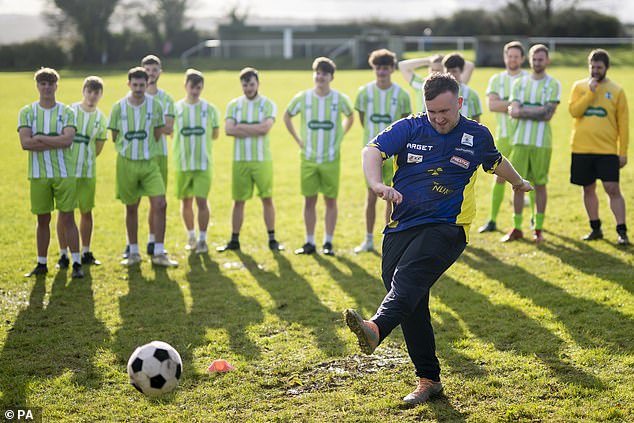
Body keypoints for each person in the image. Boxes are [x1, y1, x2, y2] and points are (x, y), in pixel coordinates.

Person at [343, 73, 533, 405]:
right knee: (408, 297)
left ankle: (375, 329)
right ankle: (429, 379)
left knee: (407, 279)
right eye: (432, 112)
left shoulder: (476, 134)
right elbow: (371, 150)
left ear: (459, 103)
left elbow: (497, 162)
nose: (439, 118)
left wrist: (518, 183)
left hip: (447, 226)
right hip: (401, 224)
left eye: (445, 111)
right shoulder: (410, 127)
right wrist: (376, 185)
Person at [284, 57, 354, 256]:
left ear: (331, 77)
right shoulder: (303, 97)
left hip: (331, 158)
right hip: (309, 158)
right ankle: (309, 242)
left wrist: (341, 133)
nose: (320, 76)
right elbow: (287, 115)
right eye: (317, 72)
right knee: (309, 201)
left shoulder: (339, 99)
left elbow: (350, 116)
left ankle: (328, 242)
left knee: (331, 201)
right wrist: (298, 140)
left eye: (324, 73)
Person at [18, 67, 84, 278]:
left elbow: (67, 141)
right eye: (43, 83)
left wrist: (40, 138)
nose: (46, 87)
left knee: (67, 218)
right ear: (37, 86)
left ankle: (76, 262)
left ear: (57, 86)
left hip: (64, 173)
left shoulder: (67, 112)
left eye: (50, 83)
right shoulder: (27, 111)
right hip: (39, 174)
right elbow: (26, 144)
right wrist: (51, 140)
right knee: (42, 220)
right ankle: (41, 263)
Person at [108, 67, 177, 267]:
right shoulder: (118, 107)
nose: (138, 88)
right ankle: (134, 252)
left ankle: (158, 252)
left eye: (142, 85)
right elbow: (114, 136)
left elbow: (157, 133)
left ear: (147, 84)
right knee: (131, 207)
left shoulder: (155, 106)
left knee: (160, 204)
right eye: (135, 85)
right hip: (127, 163)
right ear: (128, 84)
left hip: (149, 163)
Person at [217, 67, 284, 252]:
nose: (248, 88)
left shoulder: (268, 104)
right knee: (238, 201)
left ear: (258, 84)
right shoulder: (234, 105)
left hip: (262, 160)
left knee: (267, 199)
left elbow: (265, 129)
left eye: (251, 84)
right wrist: (254, 128)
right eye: (245, 84)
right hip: (240, 160)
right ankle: (234, 239)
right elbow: (229, 130)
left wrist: (242, 128)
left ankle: (272, 238)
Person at [569, 48, 629, 245]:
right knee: (588, 189)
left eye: (599, 67)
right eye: (592, 67)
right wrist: (589, 93)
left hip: (607, 151)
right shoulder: (579, 86)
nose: (595, 70)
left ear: (606, 68)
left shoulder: (617, 91)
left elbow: (624, 124)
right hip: (581, 148)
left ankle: (622, 231)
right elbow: (574, 112)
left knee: (612, 189)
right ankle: (595, 228)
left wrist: (623, 152)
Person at [354, 49, 412, 253]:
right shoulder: (364, 93)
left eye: (385, 68)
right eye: (378, 68)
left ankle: (390, 239)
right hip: (373, 156)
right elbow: (362, 119)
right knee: (371, 196)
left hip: (395, 156)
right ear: (373, 68)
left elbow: (407, 124)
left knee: (393, 197)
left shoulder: (402, 95)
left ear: (392, 69)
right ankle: (368, 239)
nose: (381, 72)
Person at [503, 44, 561, 244]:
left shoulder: (554, 84)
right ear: (529, 60)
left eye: (541, 59)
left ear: (547, 61)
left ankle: (538, 228)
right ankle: (517, 227)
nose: (537, 63)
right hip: (520, 141)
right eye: (534, 59)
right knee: (517, 185)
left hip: (541, 143)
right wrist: (537, 110)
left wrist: (524, 111)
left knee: (540, 184)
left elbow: (548, 114)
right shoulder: (520, 83)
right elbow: (513, 110)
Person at [479, 41, 529, 233]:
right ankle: (492, 220)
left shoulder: (528, 79)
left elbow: (531, 107)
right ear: (504, 57)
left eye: (516, 56)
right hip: (503, 136)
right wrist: (517, 105)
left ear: (522, 59)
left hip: (524, 137)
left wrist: (506, 104)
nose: (513, 59)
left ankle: (530, 222)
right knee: (499, 178)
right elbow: (492, 105)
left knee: (527, 178)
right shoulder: (496, 79)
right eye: (510, 56)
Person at [173, 69, 220, 254]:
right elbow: (170, 133)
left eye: (199, 88)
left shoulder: (210, 109)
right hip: (182, 164)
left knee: (202, 201)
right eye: (192, 87)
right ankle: (191, 235)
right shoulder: (176, 109)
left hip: (203, 163)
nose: (195, 91)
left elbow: (215, 134)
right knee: (185, 202)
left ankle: (202, 238)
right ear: (185, 86)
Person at [64, 76, 108, 266]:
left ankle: (86, 251)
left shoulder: (100, 118)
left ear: (100, 95)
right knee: (65, 213)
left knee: (86, 212)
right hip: (68, 172)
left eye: (96, 92)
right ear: (83, 91)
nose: (92, 96)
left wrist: (86, 159)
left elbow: (98, 147)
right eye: (89, 91)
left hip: (88, 172)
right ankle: (63, 254)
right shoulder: (70, 111)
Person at [398, 53, 473, 112]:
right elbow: (402, 65)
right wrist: (429, 60)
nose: (433, 73)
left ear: (446, 71)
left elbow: (470, 65)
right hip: (424, 128)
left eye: (437, 70)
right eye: (432, 69)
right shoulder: (421, 84)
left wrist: (446, 59)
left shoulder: (454, 85)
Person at [442, 53, 482, 122]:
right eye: (447, 71)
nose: (450, 74)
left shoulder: (472, 94)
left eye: (454, 71)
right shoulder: (438, 92)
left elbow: (476, 120)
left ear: (461, 70)